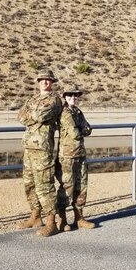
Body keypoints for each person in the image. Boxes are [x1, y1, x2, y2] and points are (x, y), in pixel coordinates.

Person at [18, 67, 63, 237]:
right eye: (42, 79)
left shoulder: (54, 99)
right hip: (29, 148)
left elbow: (41, 116)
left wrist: (32, 114)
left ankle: (51, 222)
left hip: (43, 149)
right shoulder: (33, 98)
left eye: (48, 80)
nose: (45, 82)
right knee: (29, 185)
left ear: (52, 82)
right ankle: (35, 216)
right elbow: (20, 116)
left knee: (45, 186)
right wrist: (32, 114)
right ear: (37, 82)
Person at [56, 86, 95, 230]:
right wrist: (81, 129)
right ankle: (62, 219)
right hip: (67, 156)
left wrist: (81, 128)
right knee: (67, 187)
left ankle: (79, 218)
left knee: (81, 186)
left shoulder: (78, 112)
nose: (73, 97)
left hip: (80, 155)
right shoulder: (65, 113)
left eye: (75, 95)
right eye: (70, 95)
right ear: (65, 97)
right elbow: (75, 133)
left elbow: (88, 129)